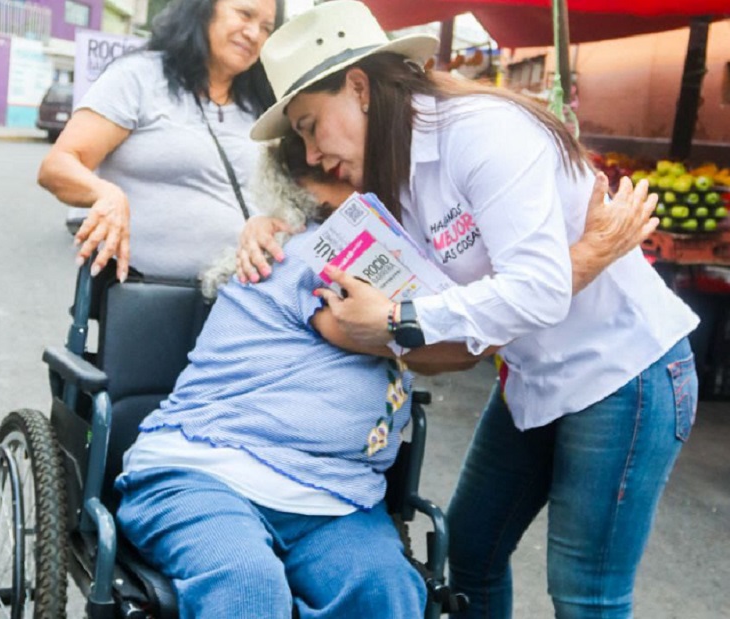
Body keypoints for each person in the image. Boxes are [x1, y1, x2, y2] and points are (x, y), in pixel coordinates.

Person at [242, 2, 700, 618]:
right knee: (470, 551)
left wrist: (400, 321)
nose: (313, 153)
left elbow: (532, 290)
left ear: (359, 87)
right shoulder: (389, 181)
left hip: (624, 370)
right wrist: (267, 227)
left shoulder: (482, 132)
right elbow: (437, 345)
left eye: (309, 125)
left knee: (585, 590)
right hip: (532, 376)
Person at [115, 135, 446, 619]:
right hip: (206, 473)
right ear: (303, 191)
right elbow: (435, 345)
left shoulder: (372, 261)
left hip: (333, 494)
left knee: (387, 589)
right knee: (246, 585)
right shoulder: (309, 255)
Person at [37, 0, 284, 282]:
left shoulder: (263, 102)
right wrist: (106, 194)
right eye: (244, 14)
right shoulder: (138, 77)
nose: (254, 34)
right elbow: (57, 165)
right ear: (202, 9)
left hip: (245, 297)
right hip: (150, 298)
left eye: (266, 28)